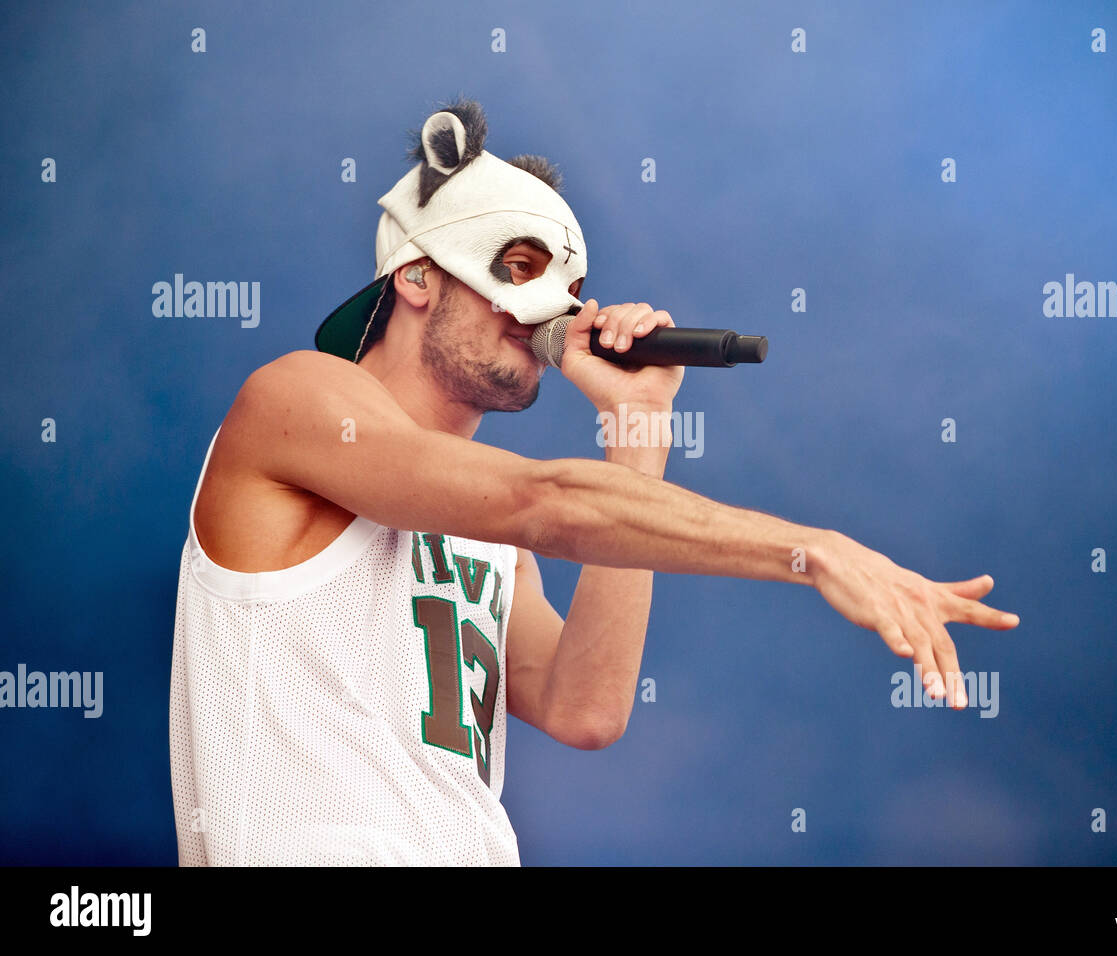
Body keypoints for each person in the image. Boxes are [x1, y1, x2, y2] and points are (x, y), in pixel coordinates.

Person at [168, 97, 1019, 866]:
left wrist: (637, 428)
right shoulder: (299, 397)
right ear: (419, 274)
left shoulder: (485, 532)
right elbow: (543, 503)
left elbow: (586, 707)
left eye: (570, 286)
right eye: (520, 266)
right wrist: (811, 549)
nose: (554, 307)